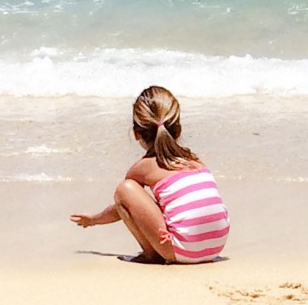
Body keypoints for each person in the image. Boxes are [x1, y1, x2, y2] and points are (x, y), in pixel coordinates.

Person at [71, 86, 229, 264]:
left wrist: (94, 220)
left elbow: (125, 204)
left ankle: (150, 254)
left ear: (137, 133)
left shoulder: (143, 167)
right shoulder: (196, 161)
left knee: (125, 189)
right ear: (179, 130)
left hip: (183, 251)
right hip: (216, 246)